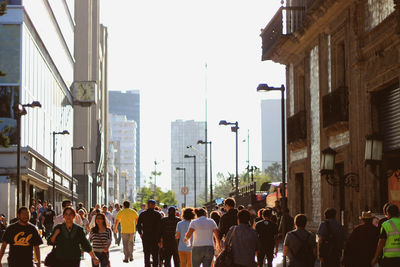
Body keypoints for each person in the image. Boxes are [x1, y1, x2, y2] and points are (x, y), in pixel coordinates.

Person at [137, 199, 162, 267]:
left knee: (146, 254)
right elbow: (160, 227)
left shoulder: (143, 214)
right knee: (155, 254)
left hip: (146, 236)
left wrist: (141, 233)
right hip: (155, 237)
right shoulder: (158, 214)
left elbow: (138, 225)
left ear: (147, 205)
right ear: (154, 205)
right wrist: (160, 238)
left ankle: (147, 265)